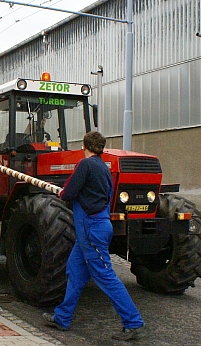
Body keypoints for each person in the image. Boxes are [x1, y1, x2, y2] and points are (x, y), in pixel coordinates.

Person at [42, 131, 145, 341]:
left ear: (84, 145)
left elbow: (69, 192)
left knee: (105, 275)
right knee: (75, 270)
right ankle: (62, 317)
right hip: (95, 227)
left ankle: (133, 322)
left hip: (90, 228)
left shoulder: (85, 165)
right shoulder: (104, 168)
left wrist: (61, 193)